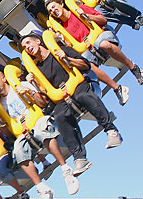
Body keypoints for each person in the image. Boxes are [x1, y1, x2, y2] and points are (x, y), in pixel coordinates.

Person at [20, 31, 124, 175]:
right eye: (24, 47)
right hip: (62, 98)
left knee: (83, 96)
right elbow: (44, 101)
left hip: (79, 85)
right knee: (60, 116)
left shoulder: (60, 50)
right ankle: (80, 158)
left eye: (28, 43)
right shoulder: (38, 71)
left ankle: (111, 130)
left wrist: (67, 59)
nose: (27, 47)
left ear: (38, 41)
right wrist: (33, 87)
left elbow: (85, 65)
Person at [0, 65, 80, 199]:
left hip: (37, 121)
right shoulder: (0, 104)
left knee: (41, 132)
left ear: (4, 78)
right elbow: (8, 134)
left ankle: (65, 168)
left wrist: (28, 92)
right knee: (18, 151)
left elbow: (43, 103)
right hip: (23, 132)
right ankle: (42, 188)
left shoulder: (21, 84)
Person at [45, 0, 143, 101]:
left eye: (54, 7)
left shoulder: (79, 9)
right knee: (88, 65)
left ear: (61, 4)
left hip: (101, 35)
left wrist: (87, 16)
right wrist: (63, 41)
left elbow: (103, 20)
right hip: (88, 49)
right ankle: (117, 88)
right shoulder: (62, 29)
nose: (53, 11)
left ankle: (134, 68)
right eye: (50, 11)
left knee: (104, 44)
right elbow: (73, 47)